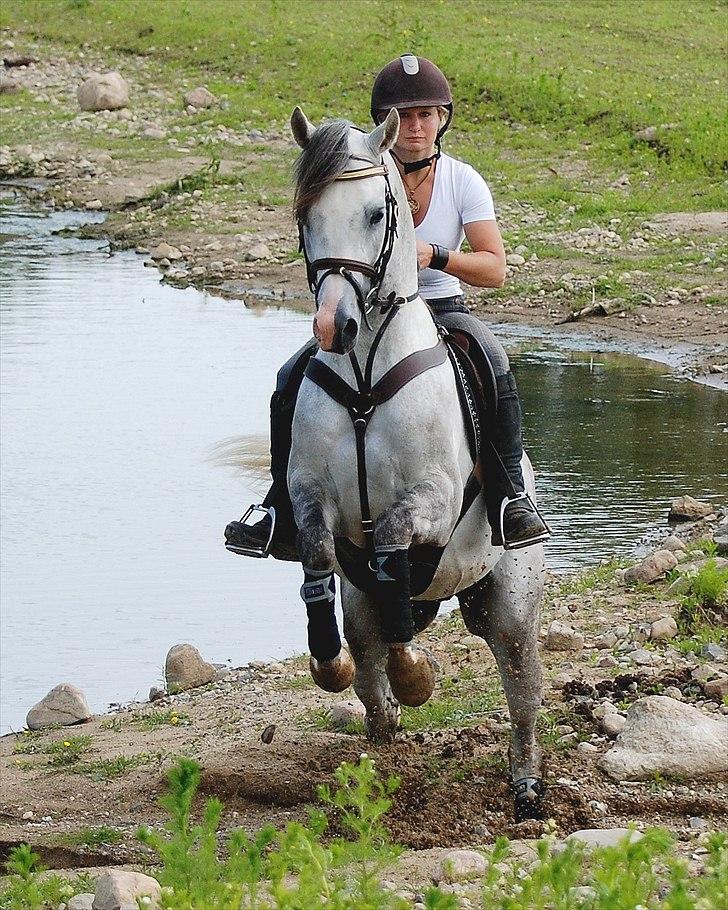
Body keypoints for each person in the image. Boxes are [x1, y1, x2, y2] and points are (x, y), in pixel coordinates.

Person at [225, 54, 549, 560]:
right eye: (407, 116)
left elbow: (495, 268)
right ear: (386, 123)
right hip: (365, 312)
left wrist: (436, 255)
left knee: (492, 361)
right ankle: (278, 509)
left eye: (426, 115)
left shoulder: (463, 181)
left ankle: (510, 497)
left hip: (441, 309)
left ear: (443, 119)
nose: (417, 127)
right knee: (291, 376)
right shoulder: (361, 171)